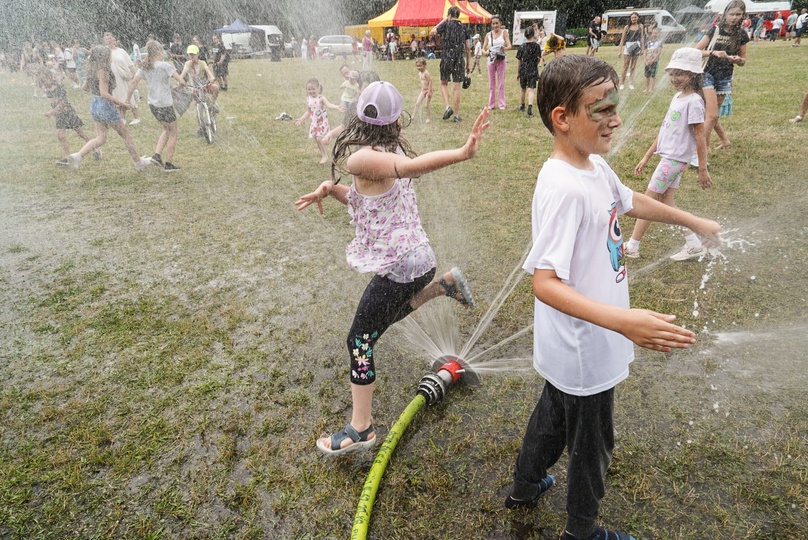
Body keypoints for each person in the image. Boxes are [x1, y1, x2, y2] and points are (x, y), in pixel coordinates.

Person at [505, 54, 722, 540]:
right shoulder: (563, 187)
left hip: (574, 347)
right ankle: (582, 531)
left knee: (553, 418)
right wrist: (622, 322)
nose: (616, 119)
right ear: (562, 118)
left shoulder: (593, 167)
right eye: (601, 110)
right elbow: (544, 282)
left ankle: (523, 486)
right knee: (592, 443)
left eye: (615, 106)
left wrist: (692, 220)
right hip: (587, 347)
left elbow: (631, 200)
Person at [294, 81, 490, 456]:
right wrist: (328, 189)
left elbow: (410, 167)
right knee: (387, 318)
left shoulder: (363, 159)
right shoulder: (382, 154)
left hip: (400, 266)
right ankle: (444, 286)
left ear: (358, 117)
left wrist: (463, 152)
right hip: (418, 264)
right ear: (396, 120)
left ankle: (360, 427)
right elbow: (365, 199)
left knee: (359, 341)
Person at [625, 48, 713, 261]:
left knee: (648, 203)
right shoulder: (678, 97)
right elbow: (664, 130)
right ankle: (694, 244)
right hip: (669, 158)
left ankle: (632, 246)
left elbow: (700, 136)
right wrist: (647, 156)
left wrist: (702, 168)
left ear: (693, 75)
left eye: (680, 74)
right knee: (666, 205)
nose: (674, 78)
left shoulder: (694, 102)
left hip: (675, 160)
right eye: (672, 73)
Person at [66, 45, 151, 171]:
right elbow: (104, 93)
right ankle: (139, 162)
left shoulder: (92, 69)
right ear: (105, 57)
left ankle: (78, 156)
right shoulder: (104, 70)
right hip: (105, 105)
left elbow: (85, 88)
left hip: (94, 104)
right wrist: (121, 103)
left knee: (100, 138)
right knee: (125, 135)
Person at [695, 0, 748, 159]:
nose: (734, 18)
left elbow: (744, 60)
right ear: (725, 14)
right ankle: (700, 150)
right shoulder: (714, 30)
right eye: (731, 14)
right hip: (707, 74)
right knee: (711, 115)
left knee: (711, 114)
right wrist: (714, 53)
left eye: (738, 15)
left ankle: (720, 142)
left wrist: (738, 60)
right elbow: (696, 50)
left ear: (742, 16)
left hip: (725, 77)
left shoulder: (741, 35)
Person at [126, 40, 186, 172]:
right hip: (165, 103)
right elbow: (182, 81)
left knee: (166, 129)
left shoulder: (145, 67)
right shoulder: (165, 66)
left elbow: (133, 82)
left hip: (153, 104)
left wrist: (127, 100)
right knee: (173, 132)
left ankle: (157, 156)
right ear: (159, 51)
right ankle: (169, 164)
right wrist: (178, 87)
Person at [38, 68, 98, 166]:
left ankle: (95, 149)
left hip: (68, 114)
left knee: (81, 133)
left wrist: (51, 113)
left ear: (50, 77)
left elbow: (62, 104)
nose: (43, 83)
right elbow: (54, 103)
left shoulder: (58, 87)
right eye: (41, 81)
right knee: (60, 135)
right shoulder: (47, 89)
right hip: (60, 115)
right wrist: (53, 112)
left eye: (44, 80)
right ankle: (67, 157)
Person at [430, 6, 471, 123]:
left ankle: (448, 107)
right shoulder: (464, 28)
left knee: (444, 83)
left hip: (446, 57)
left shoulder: (445, 25)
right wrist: (468, 64)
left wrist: (444, 20)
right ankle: (456, 115)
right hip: (459, 58)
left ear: (449, 15)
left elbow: (432, 31)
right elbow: (468, 48)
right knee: (456, 87)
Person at [295, 77, 343, 164]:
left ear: (318, 88)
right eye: (309, 89)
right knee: (317, 139)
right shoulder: (309, 99)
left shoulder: (321, 98)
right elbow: (309, 111)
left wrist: (337, 107)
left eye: (313, 89)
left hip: (322, 122)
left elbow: (329, 105)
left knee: (319, 138)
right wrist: (302, 119)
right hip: (314, 123)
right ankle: (324, 153)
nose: (311, 91)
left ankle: (326, 154)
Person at [180, 44, 220, 136]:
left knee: (216, 88)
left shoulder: (202, 63)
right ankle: (201, 128)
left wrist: (211, 77)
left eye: (193, 54)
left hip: (204, 84)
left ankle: (211, 105)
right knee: (198, 107)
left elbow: (208, 71)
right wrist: (180, 81)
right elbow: (183, 74)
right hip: (195, 87)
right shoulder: (187, 64)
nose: (191, 56)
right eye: (190, 54)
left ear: (198, 54)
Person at [104, 32, 141, 125]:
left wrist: (135, 76)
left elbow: (130, 64)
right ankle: (122, 117)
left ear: (114, 40)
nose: (109, 40)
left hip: (124, 78)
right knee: (118, 97)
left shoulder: (121, 51)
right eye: (107, 39)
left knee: (129, 96)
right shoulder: (105, 52)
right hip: (114, 79)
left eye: (110, 38)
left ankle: (136, 117)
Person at [516, 24, 541, 116]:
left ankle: (522, 105)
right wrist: (535, 64)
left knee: (523, 89)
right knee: (531, 89)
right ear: (534, 34)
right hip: (532, 69)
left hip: (523, 69)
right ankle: (530, 107)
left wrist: (518, 72)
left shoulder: (521, 46)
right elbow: (539, 58)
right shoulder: (536, 46)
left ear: (524, 35)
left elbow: (518, 60)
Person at [618, 12, 646, 90]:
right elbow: (622, 39)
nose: (633, 19)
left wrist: (642, 48)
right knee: (625, 66)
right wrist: (620, 50)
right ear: (630, 18)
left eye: (635, 17)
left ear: (638, 18)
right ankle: (622, 83)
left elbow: (641, 38)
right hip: (628, 45)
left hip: (636, 46)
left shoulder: (640, 26)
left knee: (633, 66)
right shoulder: (627, 27)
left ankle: (631, 83)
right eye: (632, 17)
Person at [413, 57, 433, 123]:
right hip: (423, 90)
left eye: (420, 66)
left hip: (428, 91)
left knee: (426, 105)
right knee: (417, 103)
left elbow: (430, 81)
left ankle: (428, 118)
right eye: (417, 66)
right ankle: (413, 116)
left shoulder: (426, 73)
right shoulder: (419, 73)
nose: (419, 68)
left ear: (424, 65)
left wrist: (429, 91)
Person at [643, 27, 662, 93]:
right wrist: (645, 59)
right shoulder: (648, 42)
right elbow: (645, 51)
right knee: (647, 75)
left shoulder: (659, 42)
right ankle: (646, 88)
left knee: (652, 75)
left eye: (656, 33)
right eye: (653, 33)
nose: (654, 34)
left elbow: (659, 52)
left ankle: (651, 89)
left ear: (659, 34)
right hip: (647, 61)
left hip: (654, 61)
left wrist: (653, 60)